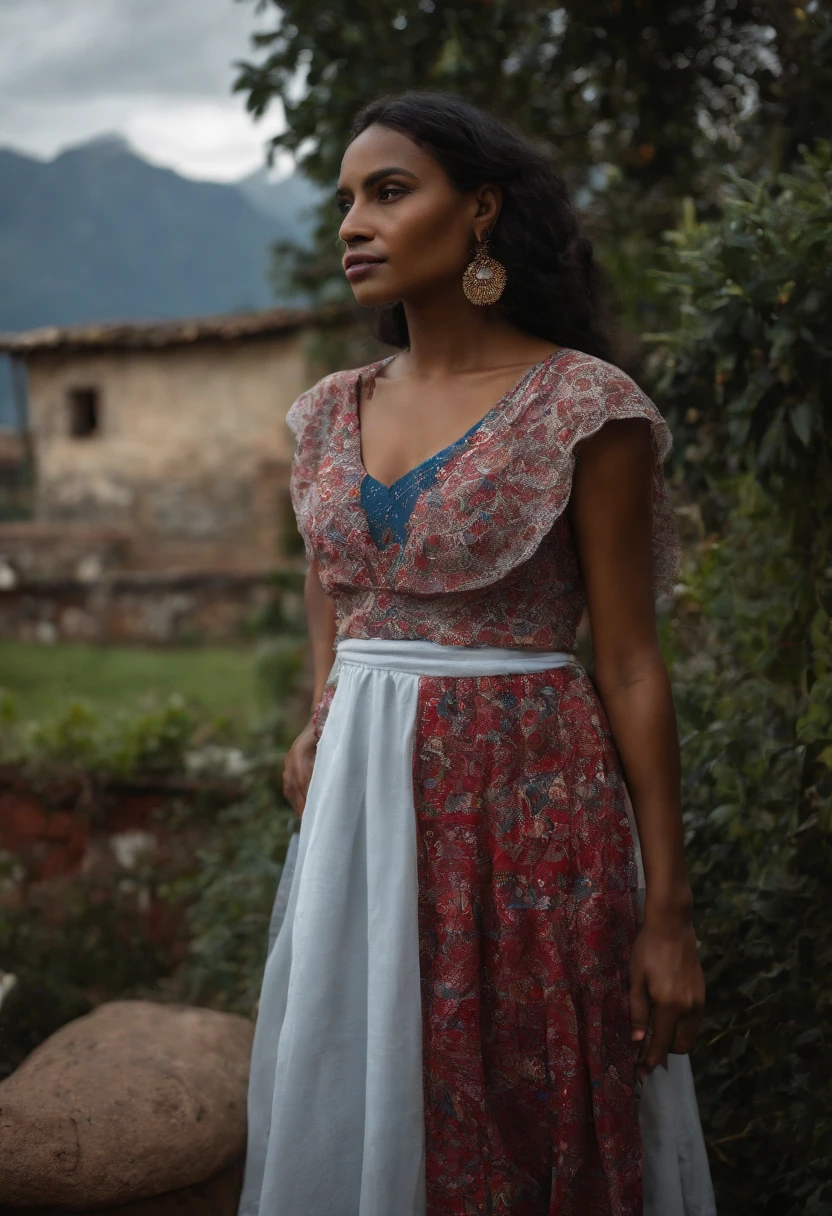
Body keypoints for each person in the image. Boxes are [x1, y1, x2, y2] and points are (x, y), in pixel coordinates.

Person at [238, 90, 716, 1216]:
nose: (352, 222)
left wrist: (669, 910)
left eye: (389, 192)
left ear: (481, 212)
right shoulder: (324, 414)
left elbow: (633, 661)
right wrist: (319, 715)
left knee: (526, 1094)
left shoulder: (579, 407)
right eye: (345, 198)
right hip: (361, 813)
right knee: (366, 1089)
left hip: (530, 814)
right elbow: (334, 574)